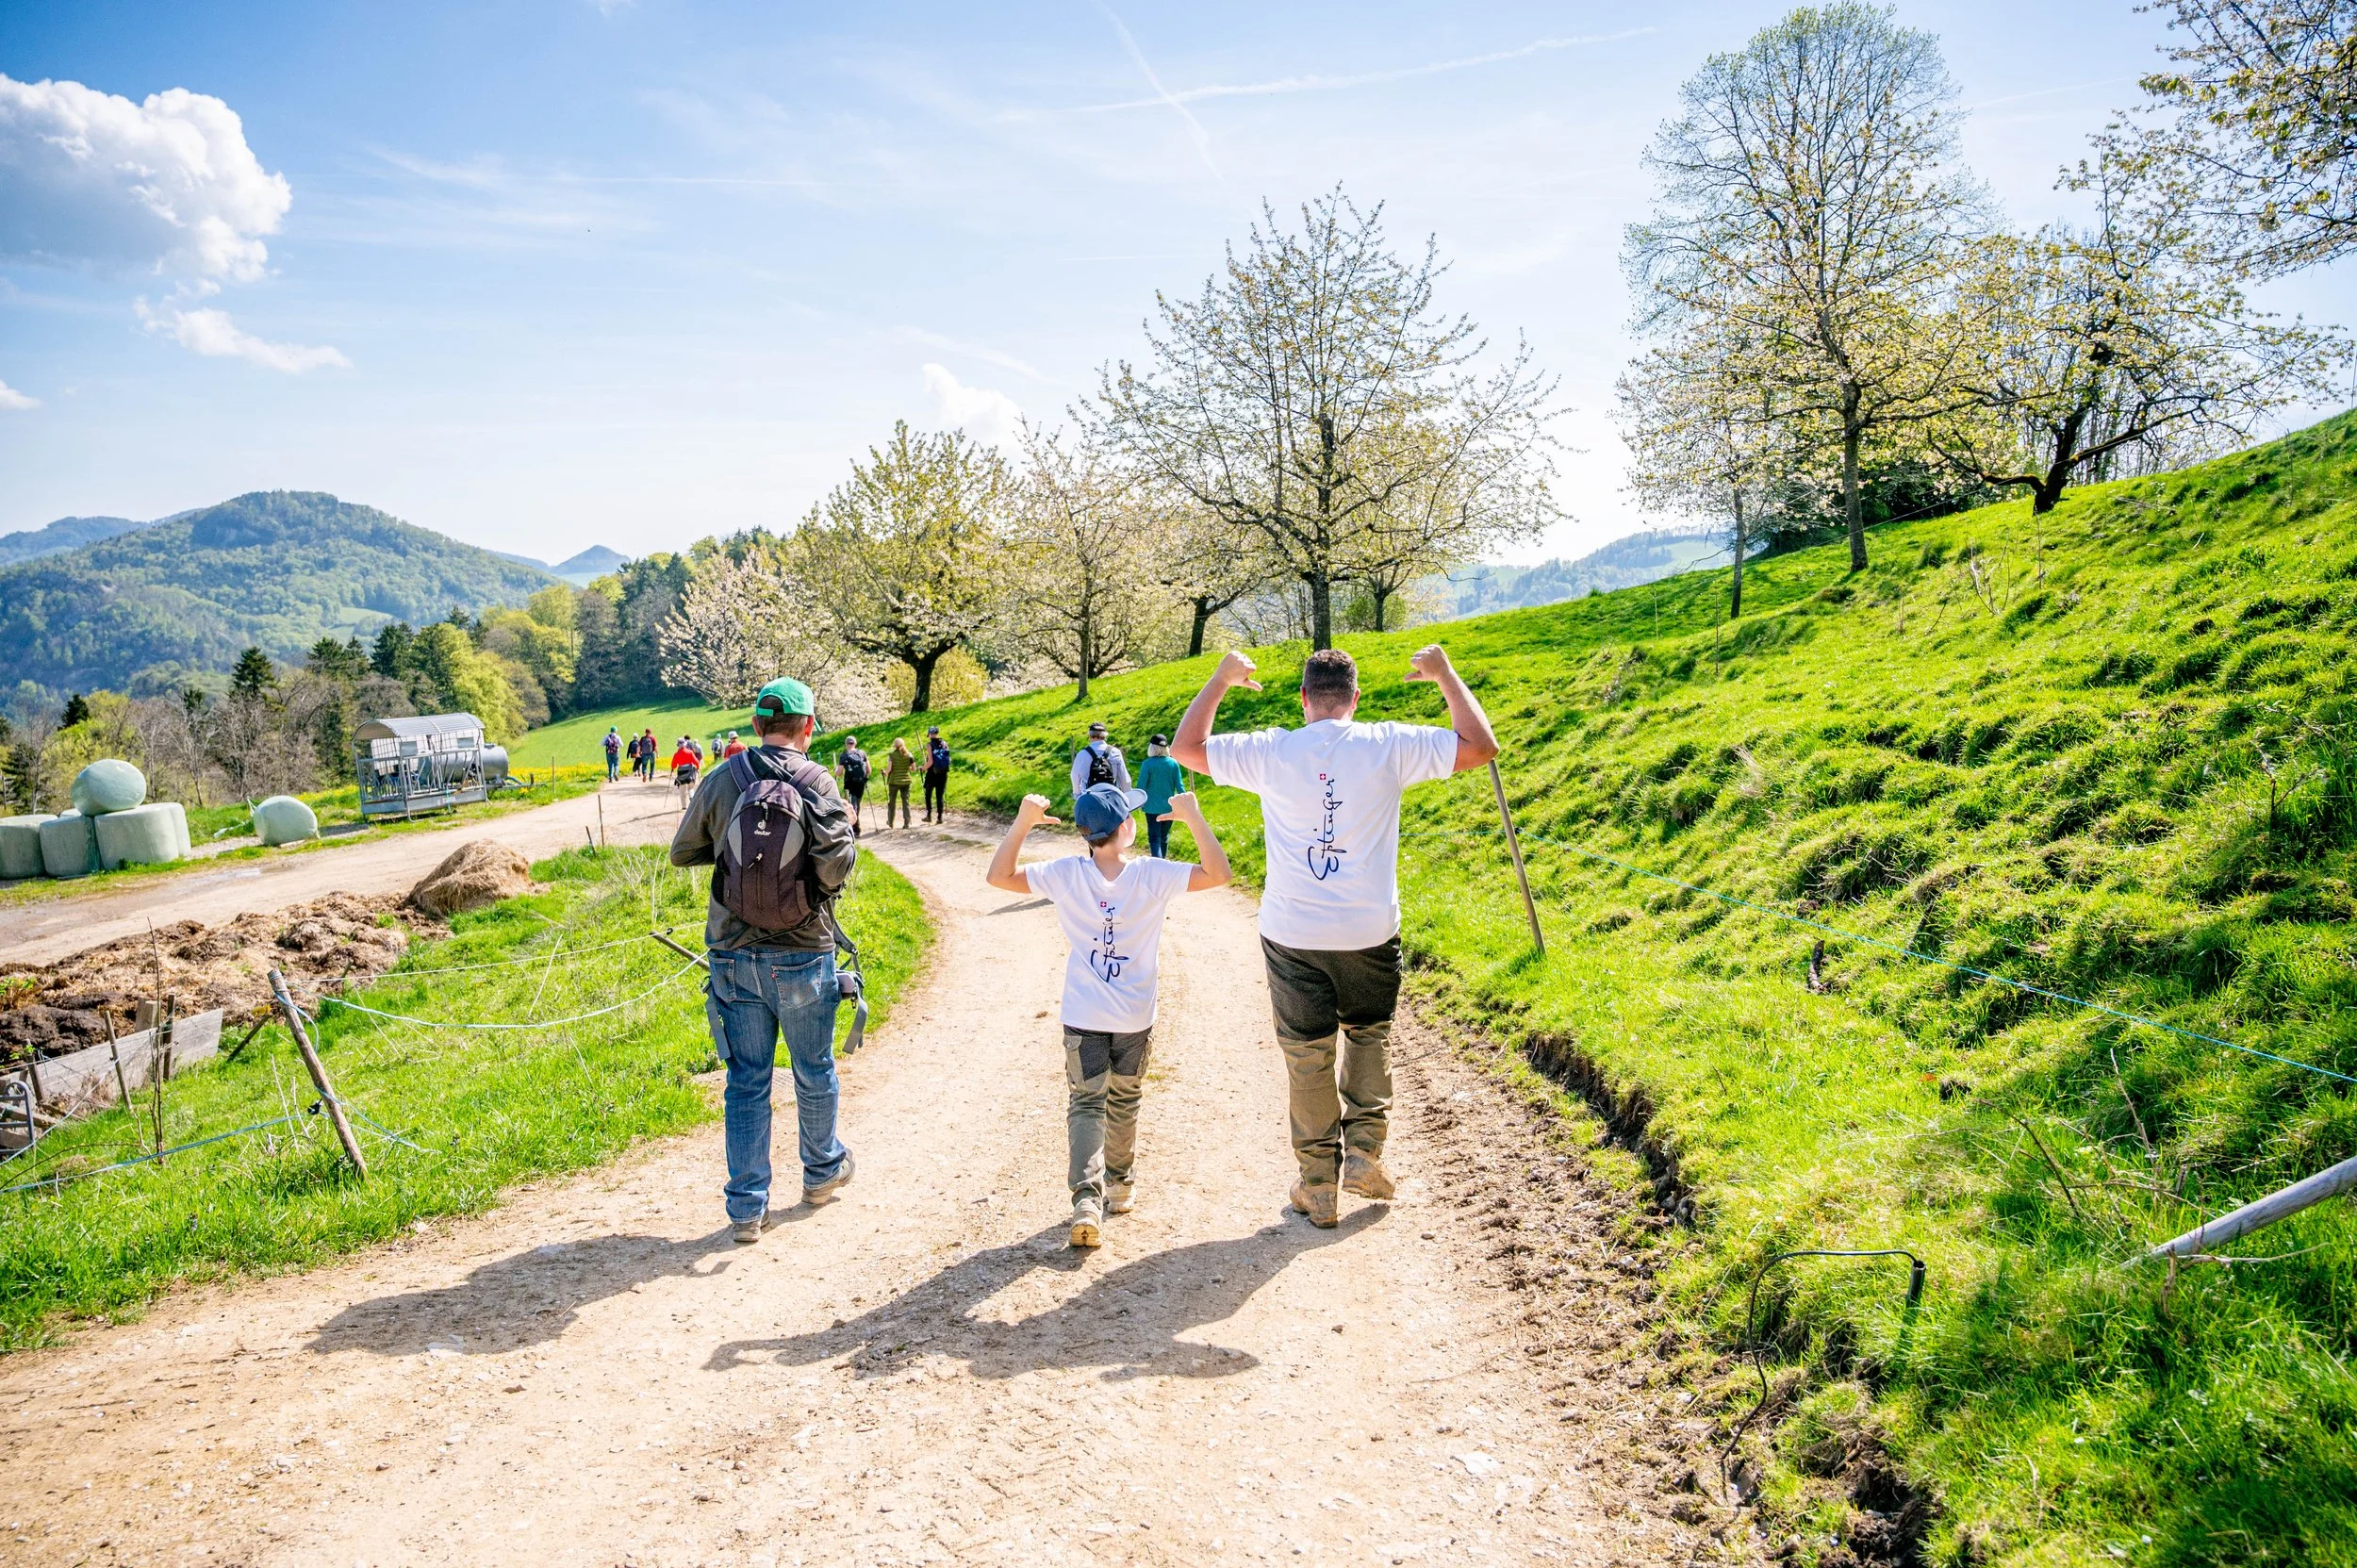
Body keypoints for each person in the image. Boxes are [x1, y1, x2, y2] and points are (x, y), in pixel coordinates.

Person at [1172, 644, 1498, 1230]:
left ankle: (1318, 1183)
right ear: (1355, 699)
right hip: (1369, 929)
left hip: (1292, 930)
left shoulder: (1272, 749)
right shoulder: (1389, 743)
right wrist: (1446, 674)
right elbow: (1481, 746)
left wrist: (1221, 679)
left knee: (1307, 1055)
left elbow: (1185, 749)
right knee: (1369, 1036)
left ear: (1303, 700)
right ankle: (1366, 1153)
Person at [986, 782, 1229, 1248]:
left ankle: (1086, 1201)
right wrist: (1193, 817)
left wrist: (1023, 821)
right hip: (1135, 1016)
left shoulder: (1065, 873)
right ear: (1126, 828)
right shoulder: (1152, 875)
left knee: (1086, 1102)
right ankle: (1119, 1185)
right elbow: (1218, 874)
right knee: (1125, 1097)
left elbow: (1000, 877)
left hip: (1083, 1012)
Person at [670, 677, 860, 1243]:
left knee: (746, 1080)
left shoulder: (724, 776)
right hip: (804, 953)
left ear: (755, 726)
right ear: (807, 727)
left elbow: (683, 851)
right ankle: (822, 1172)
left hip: (731, 950)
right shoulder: (818, 780)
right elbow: (834, 871)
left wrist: (735, 855)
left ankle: (746, 1209)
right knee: (813, 1068)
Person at [1135, 734, 1186, 859]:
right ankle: (1162, 862)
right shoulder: (1173, 763)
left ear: (1151, 748)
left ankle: (1157, 864)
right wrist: (1185, 801)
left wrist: (1135, 802)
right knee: (1164, 837)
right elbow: (1179, 785)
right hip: (1169, 806)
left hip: (1151, 808)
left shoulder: (1147, 764)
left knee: (1154, 838)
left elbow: (1141, 786)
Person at [1070, 721, 1131, 801]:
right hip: (1111, 798)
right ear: (1105, 736)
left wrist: (1078, 795)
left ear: (1090, 736)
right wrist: (1126, 798)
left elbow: (1074, 776)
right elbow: (1125, 779)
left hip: (1090, 799)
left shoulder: (1082, 754)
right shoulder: (1115, 752)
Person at [837, 734, 870, 837]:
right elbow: (869, 770)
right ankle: (856, 827)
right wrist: (864, 777)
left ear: (846, 744)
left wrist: (835, 770)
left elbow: (839, 773)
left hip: (849, 784)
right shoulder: (862, 753)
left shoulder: (844, 755)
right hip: (860, 783)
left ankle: (855, 829)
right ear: (855, 743)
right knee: (857, 804)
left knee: (852, 805)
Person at [923, 726, 951, 823]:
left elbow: (930, 761)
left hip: (932, 773)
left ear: (929, 734)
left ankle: (929, 816)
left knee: (928, 794)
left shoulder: (929, 745)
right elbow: (949, 760)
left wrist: (923, 768)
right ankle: (940, 818)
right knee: (940, 796)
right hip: (943, 773)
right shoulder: (944, 743)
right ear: (937, 733)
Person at [884, 737, 915, 829]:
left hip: (894, 782)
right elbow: (913, 768)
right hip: (906, 781)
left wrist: (884, 773)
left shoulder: (892, 755)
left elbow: (889, 769)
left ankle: (890, 821)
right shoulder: (909, 755)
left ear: (895, 745)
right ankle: (907, 822)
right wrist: (907, 768)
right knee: (905, 802)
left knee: (892, 802)